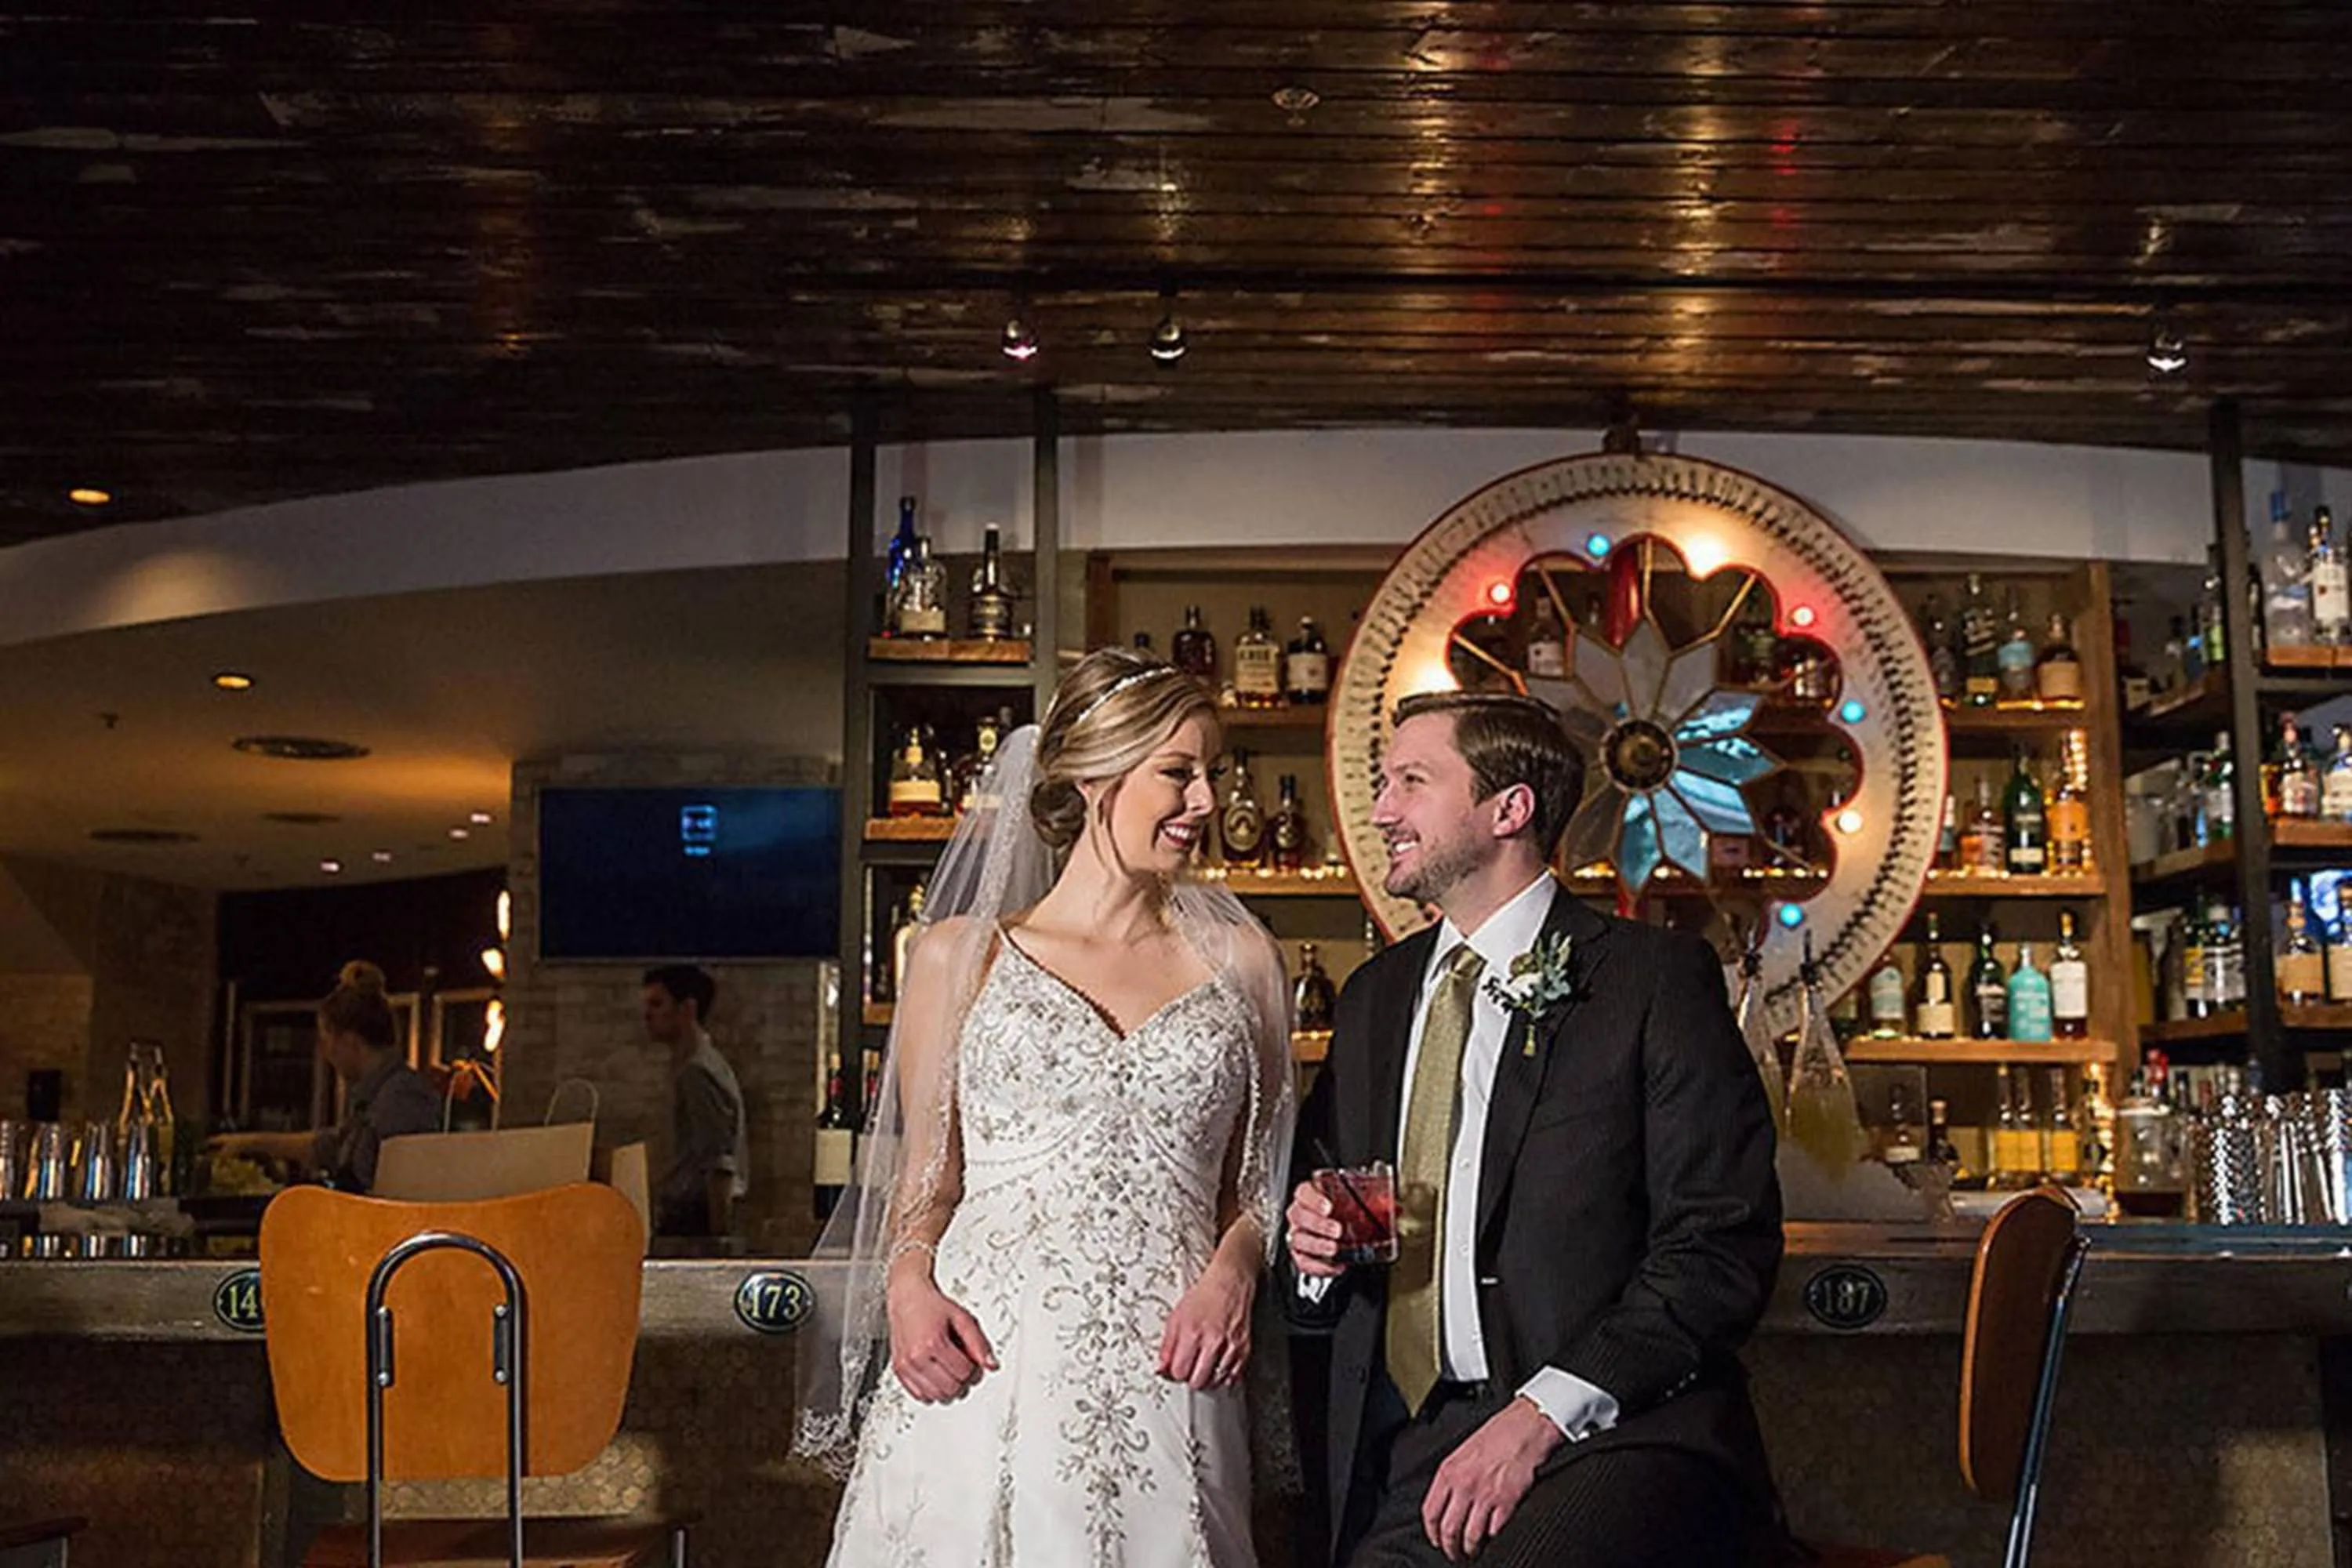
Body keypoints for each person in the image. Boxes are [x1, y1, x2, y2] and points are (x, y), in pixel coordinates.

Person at [795, 646, 1297, 1566]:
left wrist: (1234, 1273)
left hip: (1168, 1372)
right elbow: (926, 1180)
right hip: (982, 1358)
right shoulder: (958, 955)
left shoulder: (1244, 966)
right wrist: (907, 1288)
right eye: (1179, 773)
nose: (1207, 803)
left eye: (1212, 776)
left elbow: (1256, 1187)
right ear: (1096, 773)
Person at [1286, 691, 1783, 1567]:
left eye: (1412, 781)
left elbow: (1719, 1245)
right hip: (1408, 1448)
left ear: (1509, 808)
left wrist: (1542, 1410)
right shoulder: (1373, 999)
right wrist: (1315, 1249)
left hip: (1614, 1431)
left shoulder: (1651, 979)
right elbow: (1325, 1213)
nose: (1380, 810)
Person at [209, 960, 441, 1194]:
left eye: (327, 1041)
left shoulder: (402, 1099)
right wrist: (250, 1143)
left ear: (350, 1041)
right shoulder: (377, 1097)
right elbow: (329, 1146)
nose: (325, 1053)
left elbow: (399, 1193)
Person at [643, 963, 749, 1238]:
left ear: (687, 1009)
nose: (648, 1015)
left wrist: (718, 1240)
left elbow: (718, 1162)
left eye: (657, 1004)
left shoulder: (698, 1071)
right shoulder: (694, 1067)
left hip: (694, 1219)